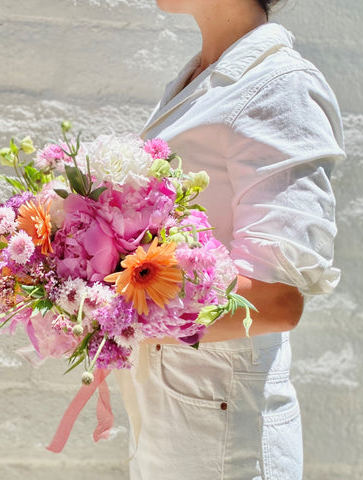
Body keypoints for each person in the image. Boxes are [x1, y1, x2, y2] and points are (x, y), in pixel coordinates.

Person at [121, 0, 345, 478]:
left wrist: (116, 313)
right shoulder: (202, 78)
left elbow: (276, 301)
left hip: (223, 433)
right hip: (172, 416)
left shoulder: (279, 87)